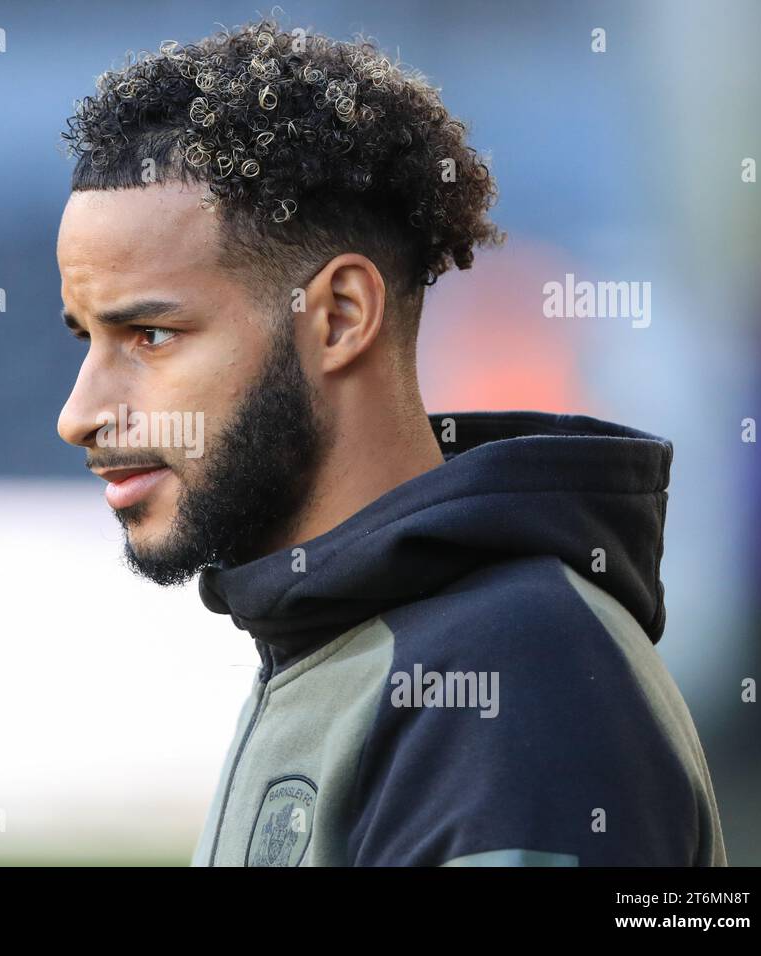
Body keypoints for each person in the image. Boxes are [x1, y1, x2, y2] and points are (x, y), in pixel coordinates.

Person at [53, 18, 726, 866]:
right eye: (86, 339)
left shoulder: (514, 679)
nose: (79, 414)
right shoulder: (338, 648)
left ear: (338, 318)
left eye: (149, 335)